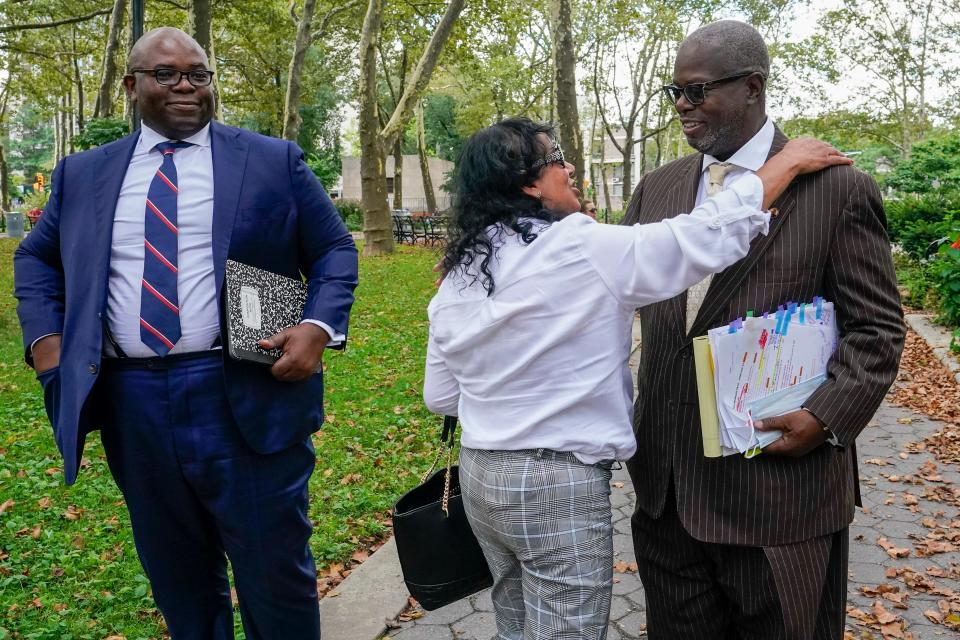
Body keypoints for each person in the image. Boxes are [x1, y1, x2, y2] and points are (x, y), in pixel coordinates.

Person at [423, 117, 849, 639]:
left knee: (516, 624)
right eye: (557, 158)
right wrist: (783, 164)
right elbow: (694, 237)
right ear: (529, 182)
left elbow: (440, 395)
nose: (570, 166)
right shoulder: (578, 246)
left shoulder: (464, 268)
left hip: (482, 473)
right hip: (556, 481)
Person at [13, 27, 358, 639]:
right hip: (131, 398)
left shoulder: (270, 159)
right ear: (131, 86)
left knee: (274, 572)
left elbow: (332, 247)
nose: (186, 87)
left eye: (198, 74)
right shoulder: (83, 174)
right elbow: (37, 258)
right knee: (177, 573)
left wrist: (317, 325)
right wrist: (47, 345)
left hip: (245, 387)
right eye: (166, 74)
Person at [622, 20, 905, 640]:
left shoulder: (837, 190)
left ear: (753, 86)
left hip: (780, 495)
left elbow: (878, 331)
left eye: (697, 92)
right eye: (674, 94)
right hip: (666, 498)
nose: (682, 109)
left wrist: (827, 415)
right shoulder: (658, 189)